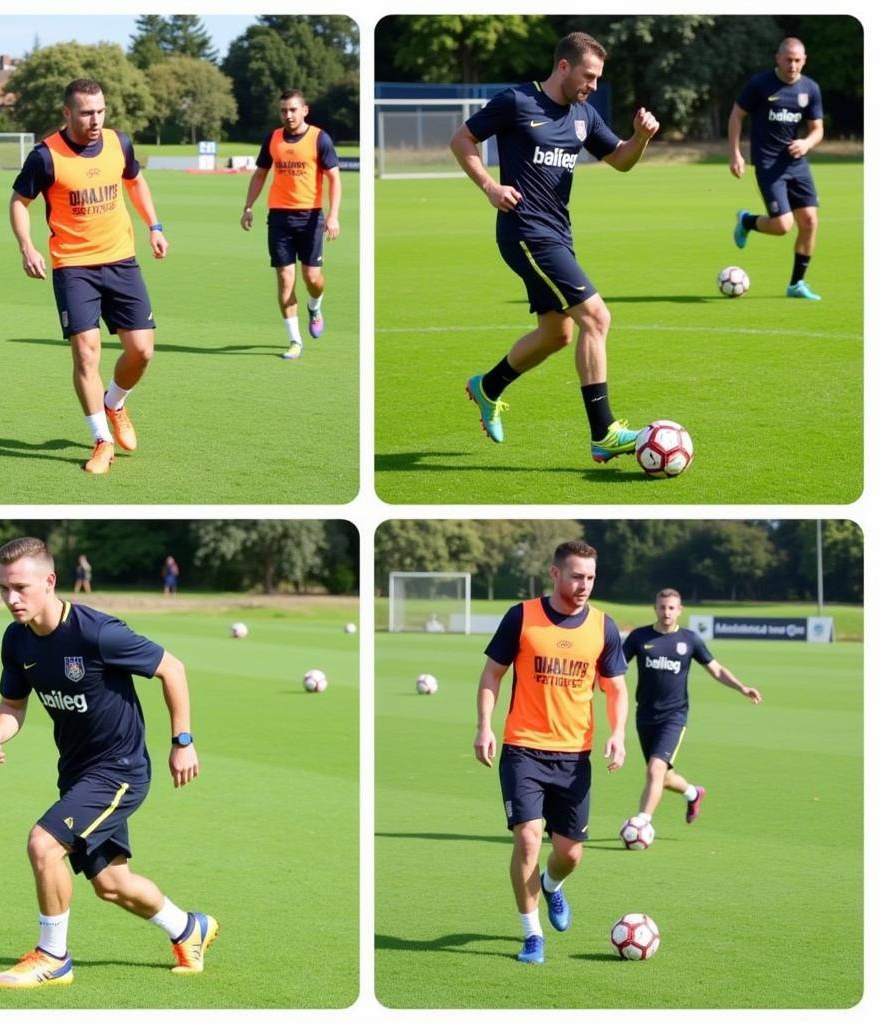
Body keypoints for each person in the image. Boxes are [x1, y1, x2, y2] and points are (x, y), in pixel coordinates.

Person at [0, 537, 217, 989]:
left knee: (43, 844)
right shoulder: (16, 640)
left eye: (21, 587)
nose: (11, 599)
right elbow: (12, 704)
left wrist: (182, 741)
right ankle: (190, 928)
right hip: (77, 774)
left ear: (49, 581)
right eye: (3, 588)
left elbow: (173, 668)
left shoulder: (96, 632)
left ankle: (53, 957)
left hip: (120, 770)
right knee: (111, 884)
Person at [450, 32, 659, 461]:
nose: (594, 86)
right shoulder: (516, 101)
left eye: (599, 78)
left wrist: (640, 138)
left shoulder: (584, 114)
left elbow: (619, 159)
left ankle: (487, 387)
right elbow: (462, 140)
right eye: (589, 76)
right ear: (564, 67)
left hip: (558, 233)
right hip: (526, 232)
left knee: (557, 334)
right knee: (597, 318)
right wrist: (490, 186)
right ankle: (603, 434)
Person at [474, 540, 628, 965]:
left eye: (591, 578)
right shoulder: (521, 617)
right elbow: (492, 674)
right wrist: (484, 726)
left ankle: (552, 886)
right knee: (526, 838)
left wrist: (618, 733)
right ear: (555, 573)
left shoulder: (603, 627)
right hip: (523, 747)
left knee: (569, 854)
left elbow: (615, 688)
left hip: (575, 755)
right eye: (577, 576)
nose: (584, 585)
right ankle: (532, 935)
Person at [10, 78, 169, 475]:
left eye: (100, 111)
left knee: (142, 351)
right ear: (68, 113)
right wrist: (27, 246)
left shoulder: (120, 143)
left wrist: (154, 225)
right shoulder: (45, 156)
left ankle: (114, 403)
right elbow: (19, 201)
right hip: (73, 266)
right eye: (86, 112)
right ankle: (102, 440)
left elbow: (135, 181)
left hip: (122, 261)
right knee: (86, 352)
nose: (95, 119)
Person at [622, 589, 762, 828]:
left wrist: (741, 687)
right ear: (655, 608)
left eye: (671, 608)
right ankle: (693, 794)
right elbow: (616, 667)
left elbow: (716, 669)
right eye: (662, 607)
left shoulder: (690, 640)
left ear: (680, 610)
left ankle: (642, 823)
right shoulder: (639, 637)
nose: (666, 612)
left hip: (674, 716)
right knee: (663, 777)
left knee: (655, 769)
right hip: (644, 716)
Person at [240, 89, 342, 360]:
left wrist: (333, 216)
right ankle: (295, 340)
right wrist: (248, 207)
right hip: (279, 218)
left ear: (304, 110)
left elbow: (334, 179)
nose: (288, 115)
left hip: (310, 217)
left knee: (312, 278)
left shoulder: (320, 138)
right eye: (284, 110)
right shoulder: (272, 139)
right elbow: (260, 174)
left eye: (293, 110)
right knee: (286, 279)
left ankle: (315, 305)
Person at [729, 38, 824, 300]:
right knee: (783, 226)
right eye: (788, 59)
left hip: (797, 164)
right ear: (778, 58)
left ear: (804, 60)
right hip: (769, 164)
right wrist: (735, 153)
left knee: (809, 222)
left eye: (798, 60)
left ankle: (796, 284)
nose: (793, 65)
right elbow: (737, 115)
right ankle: (747, 221)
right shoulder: (760, 85)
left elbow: (817, 130)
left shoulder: (810, 89)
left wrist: (806, 142)